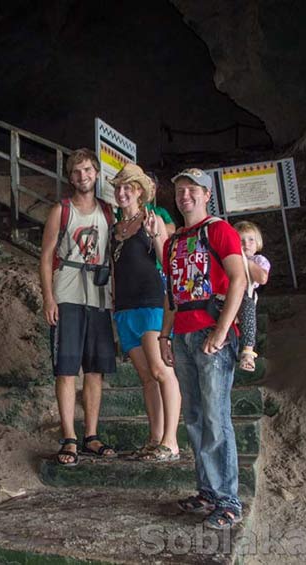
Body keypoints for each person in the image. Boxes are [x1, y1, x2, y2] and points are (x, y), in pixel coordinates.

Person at [159, 168, 247, 530]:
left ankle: (228, 501)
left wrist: (223, 330)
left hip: (212, 331)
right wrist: (165, 337)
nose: (186, 196)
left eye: (193, 190)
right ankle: (207, 491)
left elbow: (239, 278)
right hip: (182, 333)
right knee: (194, 417)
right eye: (180, 190)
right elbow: (171, 295)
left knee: (215, 417)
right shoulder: (173, 242)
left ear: (207, 194)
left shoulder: (219, 230)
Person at [39, 148, 118, 466]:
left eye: (87, 170)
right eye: (76, 172)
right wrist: (48, 297)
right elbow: (45, 256)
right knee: (67, 368)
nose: (82, 176)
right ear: (69, 177)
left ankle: (92, 436)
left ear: (96, 173)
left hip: (99, 295)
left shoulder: (108, 211)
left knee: (95, 369)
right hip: (68, 291)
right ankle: (69, 437)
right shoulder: (62, 210)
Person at [109, 164, 181, 462]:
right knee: (146, 377)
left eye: (129, 187)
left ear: (140, 191)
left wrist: (155, 236)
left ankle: (171, 441)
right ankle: (155, 439)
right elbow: (114, 270)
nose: (122, 192)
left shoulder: (151, 220)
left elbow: (167, 260)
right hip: (125, 308)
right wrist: (114, 304)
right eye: (119, 188)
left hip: (152, 302)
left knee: (161, 370)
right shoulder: (115, 229)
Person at [233, 221, 271, 372]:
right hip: (227, 296)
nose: (246, 244)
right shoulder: (230, 260)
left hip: (245, 295)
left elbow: (261, 278)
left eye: (251, 240)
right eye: (241, 240)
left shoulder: (258, 260)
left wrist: (244, 260)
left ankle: (248, 352)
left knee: (248, 310)